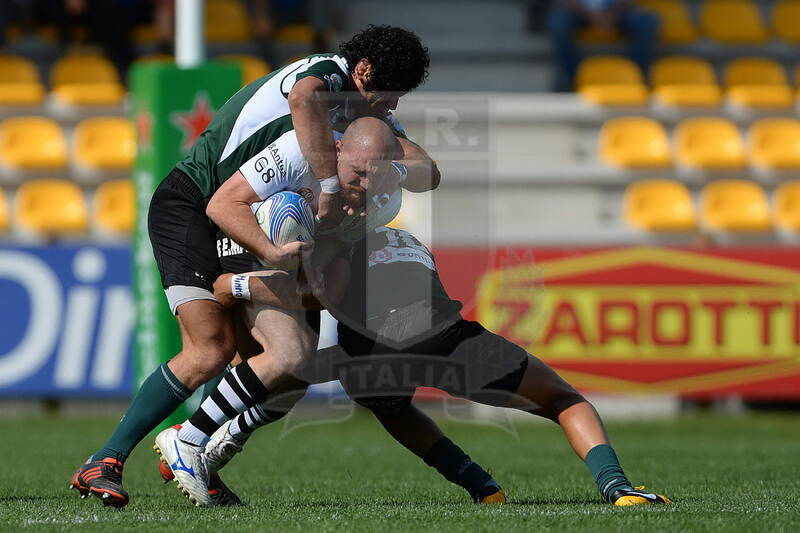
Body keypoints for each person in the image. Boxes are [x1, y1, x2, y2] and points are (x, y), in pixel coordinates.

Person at [70, 25, 431, 508]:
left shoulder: (364, 110)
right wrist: (328, 186)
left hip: (245, 217)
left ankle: (198, 454)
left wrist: (390, 156)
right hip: (196, 206)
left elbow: (429, 169)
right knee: (210, 349)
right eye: (392, 94)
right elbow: (304, 101)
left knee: (286, 372)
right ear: (364, 70)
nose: (393, 106)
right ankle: (108, 458)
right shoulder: (322, 77)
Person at [171, 226, 670, 508]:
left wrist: (236, 288)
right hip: (443, 338)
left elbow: (316, 296)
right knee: (565, 399)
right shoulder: (402, 238)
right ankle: (618, 489)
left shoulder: (331, 246)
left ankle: (481, 485)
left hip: (368, 356)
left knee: (378, 400)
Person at [547, 0, 659, 91]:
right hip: (578, 11)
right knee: (558, 23)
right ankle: (571, 79)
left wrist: (611, 15)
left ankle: (637, 74)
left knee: (647, 21)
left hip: (617, 11)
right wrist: (592, 15)